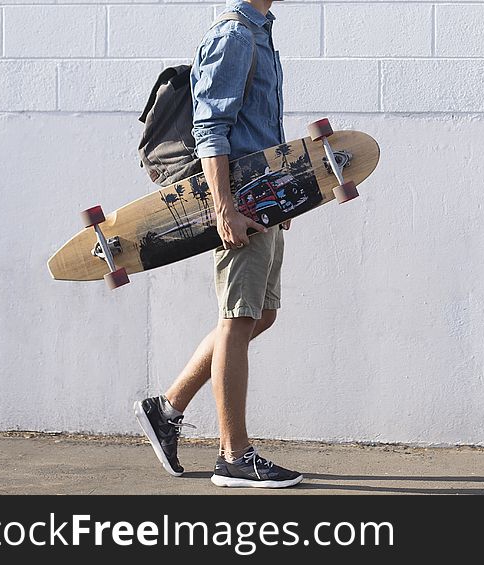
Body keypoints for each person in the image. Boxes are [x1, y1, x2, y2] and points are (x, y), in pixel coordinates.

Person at [133, 0, 302, 488]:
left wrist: (285, 195)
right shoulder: (234, 36)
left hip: (264, 198)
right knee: (238, 318)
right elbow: (210, 128)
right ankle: (233, 455)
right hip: (239, 202)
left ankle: (167, 409)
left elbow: (263, 127)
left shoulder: (260, 33)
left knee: (261, 314)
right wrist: (224, 206)